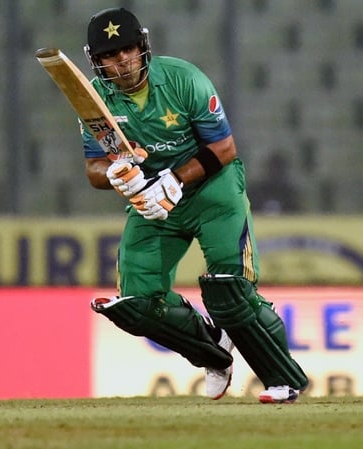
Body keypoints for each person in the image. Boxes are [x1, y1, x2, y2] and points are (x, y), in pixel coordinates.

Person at [81, 7, 308, 403]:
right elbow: (94, 169)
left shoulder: (184, 79)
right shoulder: (95, 101)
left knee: (229, 289)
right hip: (152, 200)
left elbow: (223, 148)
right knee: (135, 302)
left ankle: (283, 379)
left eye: (128, 51)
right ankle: (212, 350)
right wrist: (116, 173)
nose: (122, 63)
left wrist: (174, 179)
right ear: (96, 61)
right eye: (110, 56)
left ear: (142, 48)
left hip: (212, 190)